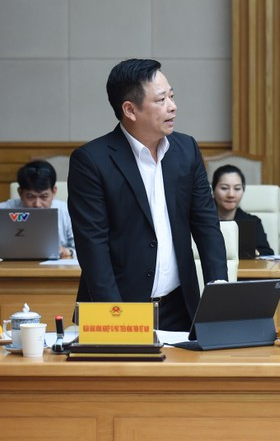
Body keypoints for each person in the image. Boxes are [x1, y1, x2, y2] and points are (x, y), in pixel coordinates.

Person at [68, 58, 228, 331]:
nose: (172, 106)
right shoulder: (91, 161)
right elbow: (93, 248)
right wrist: (115, 320)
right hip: (119, 308)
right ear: (130, 109)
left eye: (172, 96)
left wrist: (219, 294)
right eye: (161, 100)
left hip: (180, 306)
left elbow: (206, 225)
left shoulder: (186, 149)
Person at [0, 160, 75, 259]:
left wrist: (68, 251)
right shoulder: (4, 211)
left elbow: (84, 247)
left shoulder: (67, 211)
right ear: (20, 193)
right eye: (30, 197)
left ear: (54, 191)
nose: (37, 204)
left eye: (44, 197)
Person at [211, 164, 274, 256]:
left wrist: (257, 253)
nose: (231, 194)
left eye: (237, 188)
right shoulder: (201, 220)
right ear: (213, 189)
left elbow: (267, 254)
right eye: (224, 188)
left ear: (243, 190)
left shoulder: (253, 222)